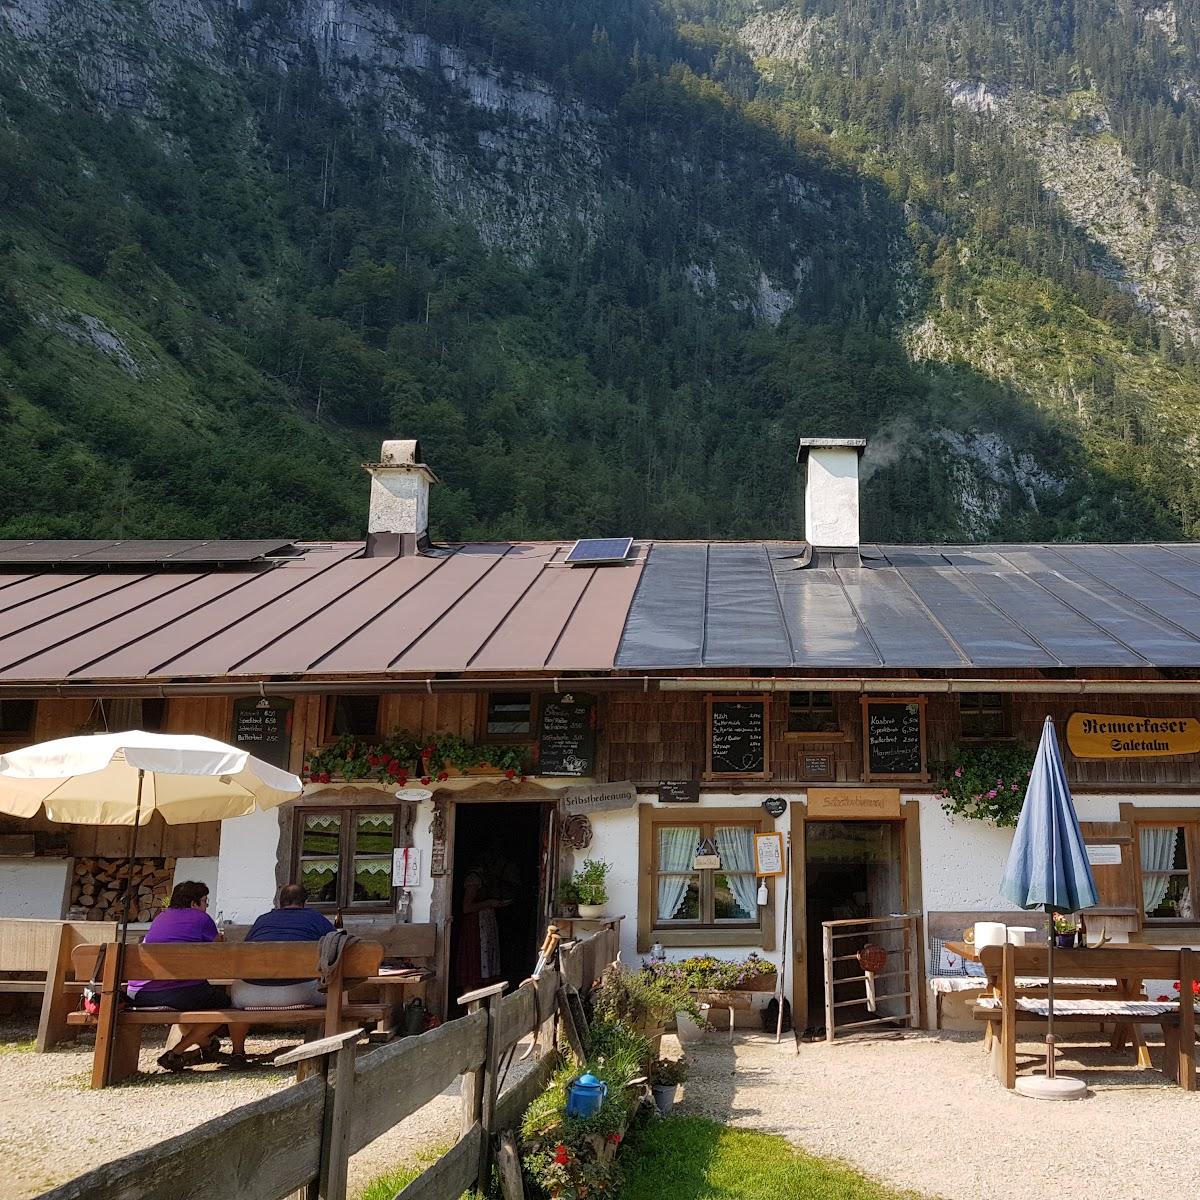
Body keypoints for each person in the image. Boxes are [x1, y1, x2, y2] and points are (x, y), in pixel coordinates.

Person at [127, 880, 229, 1072]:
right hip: (174, 992)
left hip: (139, 993)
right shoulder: (201, 919)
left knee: (195, 999)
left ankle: (207, 1046)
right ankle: (177, 1051)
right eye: (205, 901)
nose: (206, 906)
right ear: (193, 903)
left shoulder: (160, 918)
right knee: (226, 1005)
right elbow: (219, 952)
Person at [227, 884, 336, 1062]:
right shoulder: (316, 919)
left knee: (236, 988)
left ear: (279, 902)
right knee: (335, 990)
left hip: (250, 995)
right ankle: (332, 1042)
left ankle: (237, 1051)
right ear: (304, 902)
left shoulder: (262, 920)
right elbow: (336, 948)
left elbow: (245, 953)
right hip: (297, 992)